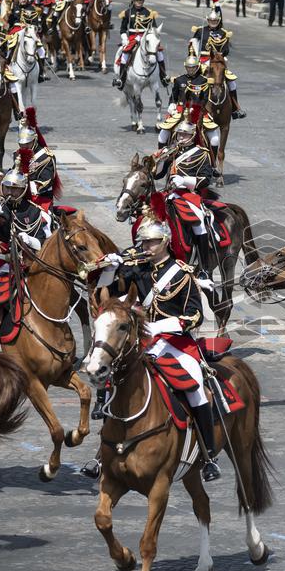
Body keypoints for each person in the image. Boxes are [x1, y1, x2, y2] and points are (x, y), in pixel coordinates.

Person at [95, 215, 222, 482]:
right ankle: (100, 454)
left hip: (176, 342)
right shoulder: (137, 269)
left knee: (196, 388)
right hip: (144, 339)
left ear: (164, 242)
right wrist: (110, 268)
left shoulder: (183, 274)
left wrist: (162, 326)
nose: (146, 247)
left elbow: (194, 316)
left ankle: (209, 455)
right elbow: (107, 291)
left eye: (151, 242)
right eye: (144, 242)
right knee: (115, 372)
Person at [0, 148, 53, 347]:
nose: (10, 193)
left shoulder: (34, 213)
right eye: (7, 188)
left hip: (24, 266)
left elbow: (42, 243)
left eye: (15, 189)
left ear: (23, 189)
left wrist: (26, 239)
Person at [152, 111, 220, 263]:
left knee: (199, 223)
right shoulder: (172, 152)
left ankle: (204, 268)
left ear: (192, 136)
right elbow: (159, 175)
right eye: (179, 135)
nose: (181, 138)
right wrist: (160, 160)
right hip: (168, 194)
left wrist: (184, 181)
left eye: (185, 135)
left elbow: (206, 179)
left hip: (189, 195)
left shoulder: (202, 154)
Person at [113, 0, 167, 90]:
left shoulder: (148, 12)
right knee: (125, 54)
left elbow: (154, 28)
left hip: (146, 37)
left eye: (141, 1)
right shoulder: (128, 12)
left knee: (159, 53)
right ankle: (121, 79)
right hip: (133, 37)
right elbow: (123, 29)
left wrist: (153, 38)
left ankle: (163, 76)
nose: (139, 3)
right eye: (137, 1)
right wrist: (124, 38)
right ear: (133, 1)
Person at [17, 108, 59, 211]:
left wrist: (24, 186)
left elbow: (46, 181)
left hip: (41, 198)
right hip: (20, 196)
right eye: (21, 145)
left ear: (34, 140)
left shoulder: (46, 157)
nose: (24, 147)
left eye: (27, 144)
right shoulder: (18, 155)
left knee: (46, 222)